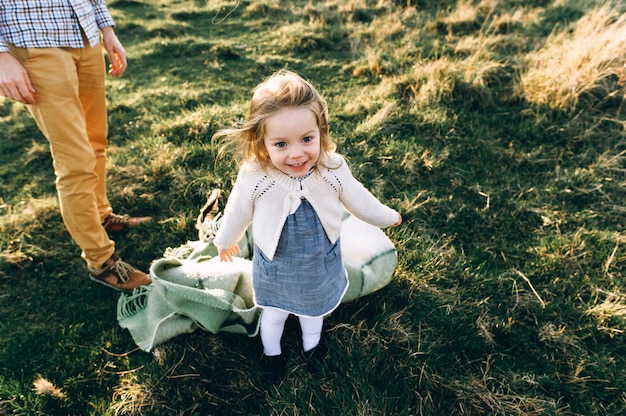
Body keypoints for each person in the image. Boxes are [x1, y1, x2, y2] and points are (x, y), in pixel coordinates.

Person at [213, 69, 402, 384]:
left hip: (318, 261)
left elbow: (359, 199)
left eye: (306, 139)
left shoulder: (332, 168)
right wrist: (225, 240)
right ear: (262, 143)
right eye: (282, 144)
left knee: (313, 312)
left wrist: (385, 216)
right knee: (274, 313)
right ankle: (271, 352)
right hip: (277, 263)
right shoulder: (256, 175)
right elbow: (237, 209)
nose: (297, 153)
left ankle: (311, 346)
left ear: (320, 131)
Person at [0, 1, 152, 291]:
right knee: (75, 160)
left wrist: (106, 29)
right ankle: (102, 262)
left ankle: (100, 215)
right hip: (33, 43)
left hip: (84, 33)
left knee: (96, 141)